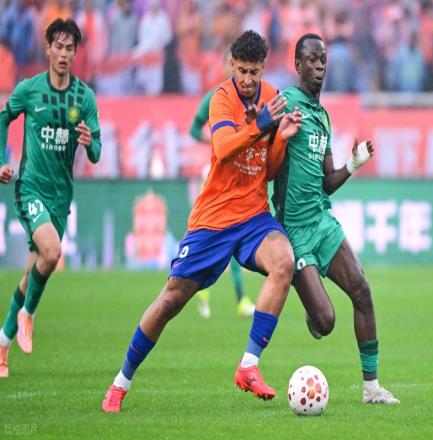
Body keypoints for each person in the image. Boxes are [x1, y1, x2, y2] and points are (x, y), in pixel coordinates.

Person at [101, 30, 302, 413]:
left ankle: (249, 365)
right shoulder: (221, 99)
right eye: (242, 71)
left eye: (255, 72)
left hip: (254, 216)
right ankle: (120, 383)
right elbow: (223, 149)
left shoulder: (273, 97)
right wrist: (260, 124)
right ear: (232, 65)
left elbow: (270, 170)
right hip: (214, 219)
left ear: (263, 69)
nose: (248, 79)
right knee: (170, 301)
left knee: (284, 263)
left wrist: (282, 139)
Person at [273, 33, 400, 404]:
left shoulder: (323, 118)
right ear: (297, 65)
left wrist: (352, 164)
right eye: (311, 60)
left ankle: (371, 388)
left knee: (362, 290)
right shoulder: (286, 102)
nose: (319, 66)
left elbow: (327, 182)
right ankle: (313, 310)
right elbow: (261, 138)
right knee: (325, 322)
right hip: (294, 231)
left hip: (321, 221)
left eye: (323, 60)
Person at [0, 18, 101, 378]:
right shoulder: (29, 90)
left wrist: (89, 144)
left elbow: (97, 152)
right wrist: (1, 160)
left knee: (32, 271)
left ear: (75, 53)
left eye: (69, 48)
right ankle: (28, 315)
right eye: (58, 46)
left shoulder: (84, 98)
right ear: (48, 49)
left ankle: (2, 345)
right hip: (30, 187)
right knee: (53, 252)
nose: (63, 54)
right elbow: (3, 117)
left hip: (61, 197)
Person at [190, 79, 255, 319]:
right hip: (215, 171)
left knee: (233, 236)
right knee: (214, 233)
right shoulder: (215, 97)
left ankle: (239, 298)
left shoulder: (252, 98)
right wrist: (217, 142)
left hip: (239, 173)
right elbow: (193, 130)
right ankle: (203, 288)